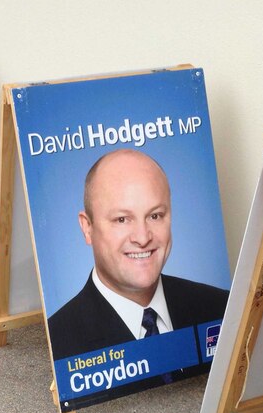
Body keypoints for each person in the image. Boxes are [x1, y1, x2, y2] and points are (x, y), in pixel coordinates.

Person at [48, 149, 229, 360]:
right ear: (87, 227)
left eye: (155, 215)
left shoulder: (221, 308)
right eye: (122, 219)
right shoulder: (59, 343)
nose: (143, 238)